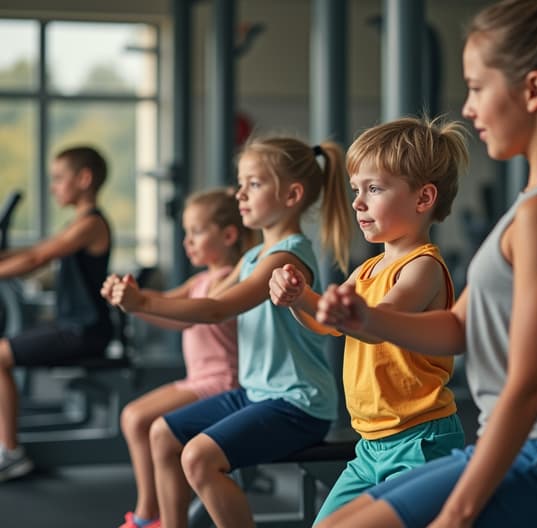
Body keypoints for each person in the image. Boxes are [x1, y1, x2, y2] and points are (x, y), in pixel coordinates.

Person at [313, 0, 537, 526]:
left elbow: (528, 385)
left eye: (476, 87)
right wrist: (368, 320)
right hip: (525, 446)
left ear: (533, 91)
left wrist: (458, 512)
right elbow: (458, 327)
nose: (467, 110)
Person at [103, 135, 352, 528]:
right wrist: (134, 301)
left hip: (298, 403)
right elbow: (193, 314)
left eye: (253, 184)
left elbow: (217, 309)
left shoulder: (286, 258)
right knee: (162, 433)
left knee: (198, 457)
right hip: (257, 394)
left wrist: (143, 303)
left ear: (292, 195)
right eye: (241, 184)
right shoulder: (254, 256)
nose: (240, 195)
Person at [268, 116, 470, 523]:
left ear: (423, 198)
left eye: (373, 189)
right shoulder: (367, 271)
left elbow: (386, 317)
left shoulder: (422, 267)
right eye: (356, 189)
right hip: (370, 444)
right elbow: (328, 325)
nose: (358, 202)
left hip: (421, 440)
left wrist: (350, 313)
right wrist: (299, 298)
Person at [102, 188, 258, 528]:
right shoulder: (200, 279)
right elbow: (161, 302)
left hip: (222, 383)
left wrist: (139, 303)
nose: (188, 241)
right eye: (186, 232)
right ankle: (152, 511)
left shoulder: (231, 279)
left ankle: (149, 514)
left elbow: (186, 315)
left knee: (139, 419)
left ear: (229, 234)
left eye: (197, 232)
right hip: (197, 380)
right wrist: (129, 296)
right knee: (133, 417)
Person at [0, 145, 112, 482]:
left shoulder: (90, 225)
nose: (53, 187)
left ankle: (11, 453)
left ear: (84, 178)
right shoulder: (77, 223)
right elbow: (34, 249)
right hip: (74, 326)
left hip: (85, 331)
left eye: (59, 179)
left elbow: (37, 260)